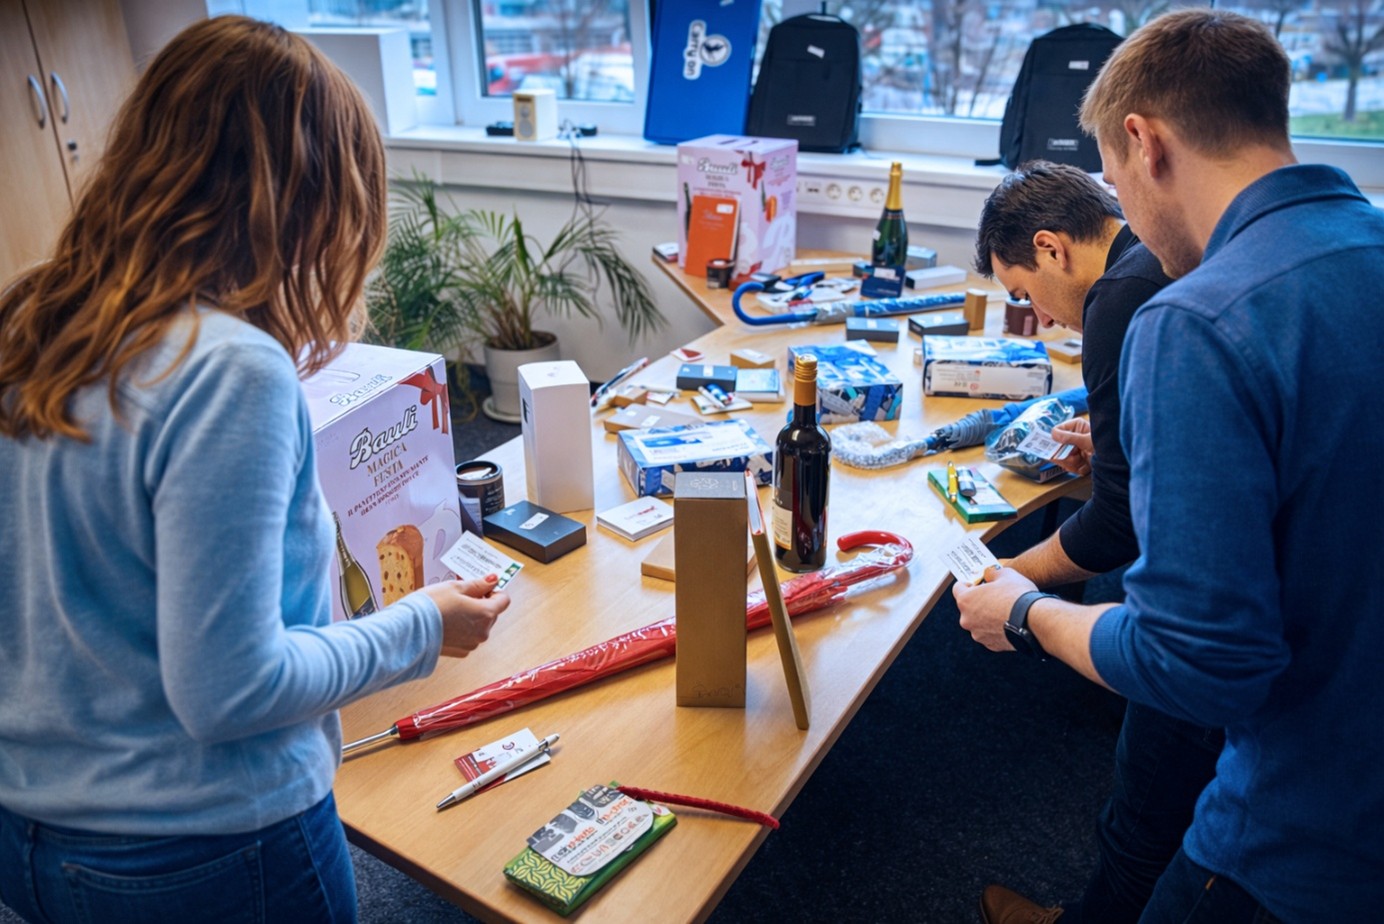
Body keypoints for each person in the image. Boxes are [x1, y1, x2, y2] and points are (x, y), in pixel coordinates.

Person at [0, 17, 509, 923]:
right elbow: (232, 689)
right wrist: (417, 628)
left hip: (35, 828)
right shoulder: (230, 370)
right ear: (307, 202)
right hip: (204, 848)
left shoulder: (33, 318)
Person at [956, 9, 1384, 923]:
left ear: (1144, 145)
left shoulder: (1193, 320)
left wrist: (1027, 614)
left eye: (1116, 180)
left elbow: (1195, 663)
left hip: (1295, 839)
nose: (1133, 223)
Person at [973, 163, 1223, 924]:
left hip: (1202, 593)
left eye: (1023, 294)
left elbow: (1115, 524)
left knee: (1149, 791)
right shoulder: (1157, 256)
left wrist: (1009, 577)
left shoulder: (1117, 296)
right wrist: (1117, 439)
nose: (1039, 318)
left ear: (1051, 248)